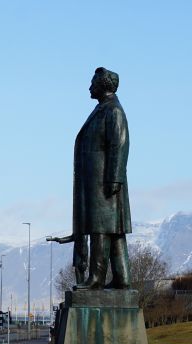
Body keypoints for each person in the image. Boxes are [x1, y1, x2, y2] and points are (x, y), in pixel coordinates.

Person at [52, 67, 132, 290]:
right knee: (113, 232)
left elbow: (120, 144)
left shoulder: (113, 111)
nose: (89, 86)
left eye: (92, 82)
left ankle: (96, 277)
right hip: (97, 181)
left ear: (103, 84)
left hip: (104, 181)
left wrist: (114, 179)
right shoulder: (103, 109)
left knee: (100, 228)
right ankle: (122, 278)